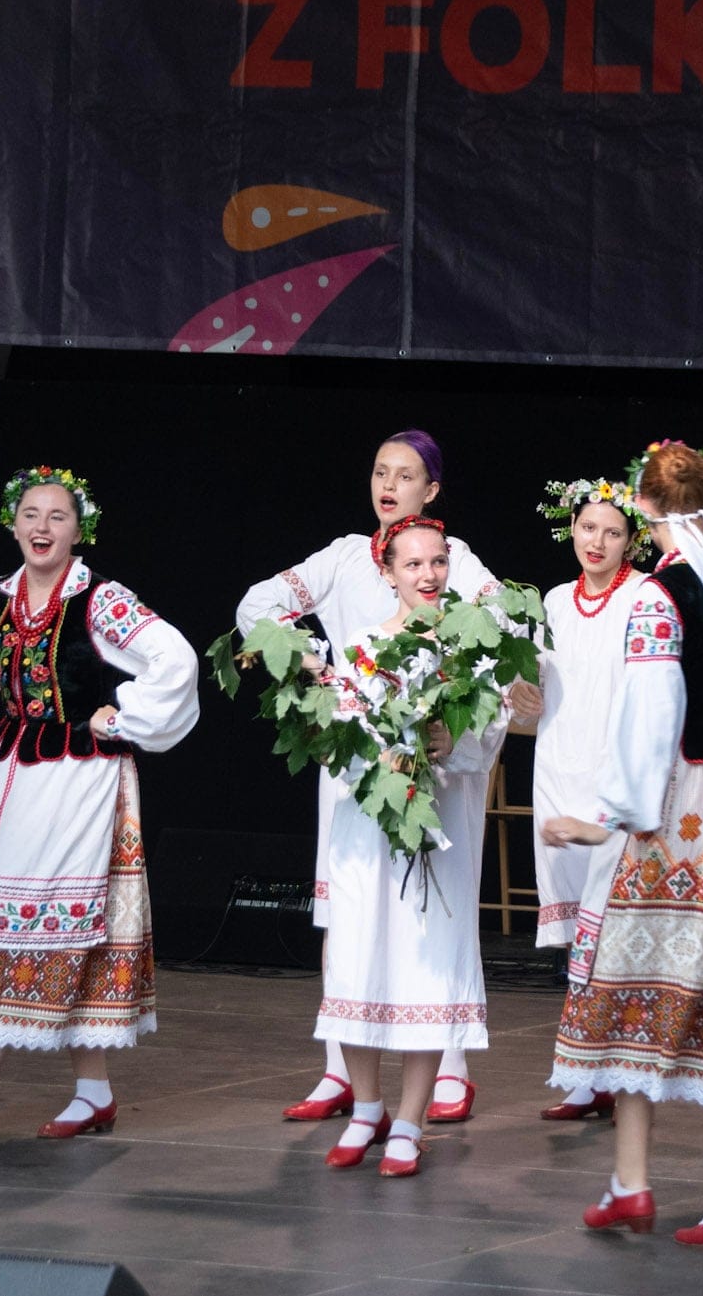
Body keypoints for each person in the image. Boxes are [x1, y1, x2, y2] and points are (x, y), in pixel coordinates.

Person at [543, 442, 703, 1247]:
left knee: (631, 982)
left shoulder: (661, 596)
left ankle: (638, 1180)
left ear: (646, 507)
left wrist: (612, 814)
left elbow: (653, 712)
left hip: (688, 807)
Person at [0, 467, 198, 1139]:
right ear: (12, 524)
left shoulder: (99, 599)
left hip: (80, 776)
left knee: (54, 920)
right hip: (10, 775)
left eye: (58, 516)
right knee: (21, 923)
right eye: (31, 514)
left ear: (79, 530)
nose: (42, 527)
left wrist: (123, 715)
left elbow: (175, 658)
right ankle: (93, 1091)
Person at [236, 431, 497, 1123]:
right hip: (356, 760)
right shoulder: (347, 555)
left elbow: (501, 626)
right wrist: (312, 666)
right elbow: (258, 604)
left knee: (429, 911)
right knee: (348, 914)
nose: (388, 485)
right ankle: (341, 1069)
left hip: (435, 764)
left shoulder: (451, 558)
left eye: (405, 475)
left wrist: (457, 705)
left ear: (430, 490)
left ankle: (449, 1065)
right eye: (381, 471)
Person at [315, 516, 509, 1178]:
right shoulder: (363, 647)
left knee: (427, 964)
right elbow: (339, 742)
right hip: (369, 830)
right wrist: (381, 757)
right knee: (358, 957)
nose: (428, 575)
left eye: (437, 562)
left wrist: (456, 740)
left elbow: (491, 728)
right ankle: (366, 1107)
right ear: (389, 572)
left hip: (438, 829)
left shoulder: (469, 650)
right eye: (413, 564)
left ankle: (409, 1119)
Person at [521, 472, 649, 1122]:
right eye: (588, 527)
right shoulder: (554, 600)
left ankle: (618, 1070)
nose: (597, 540)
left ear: (632, 540)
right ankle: (586, 1072)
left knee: (614, 932)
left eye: (613, 531)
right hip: (558, 769)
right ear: (570, 528)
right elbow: (536, 689)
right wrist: (519, 691)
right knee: (579, 934)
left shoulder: (644, 596)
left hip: (613, 777)